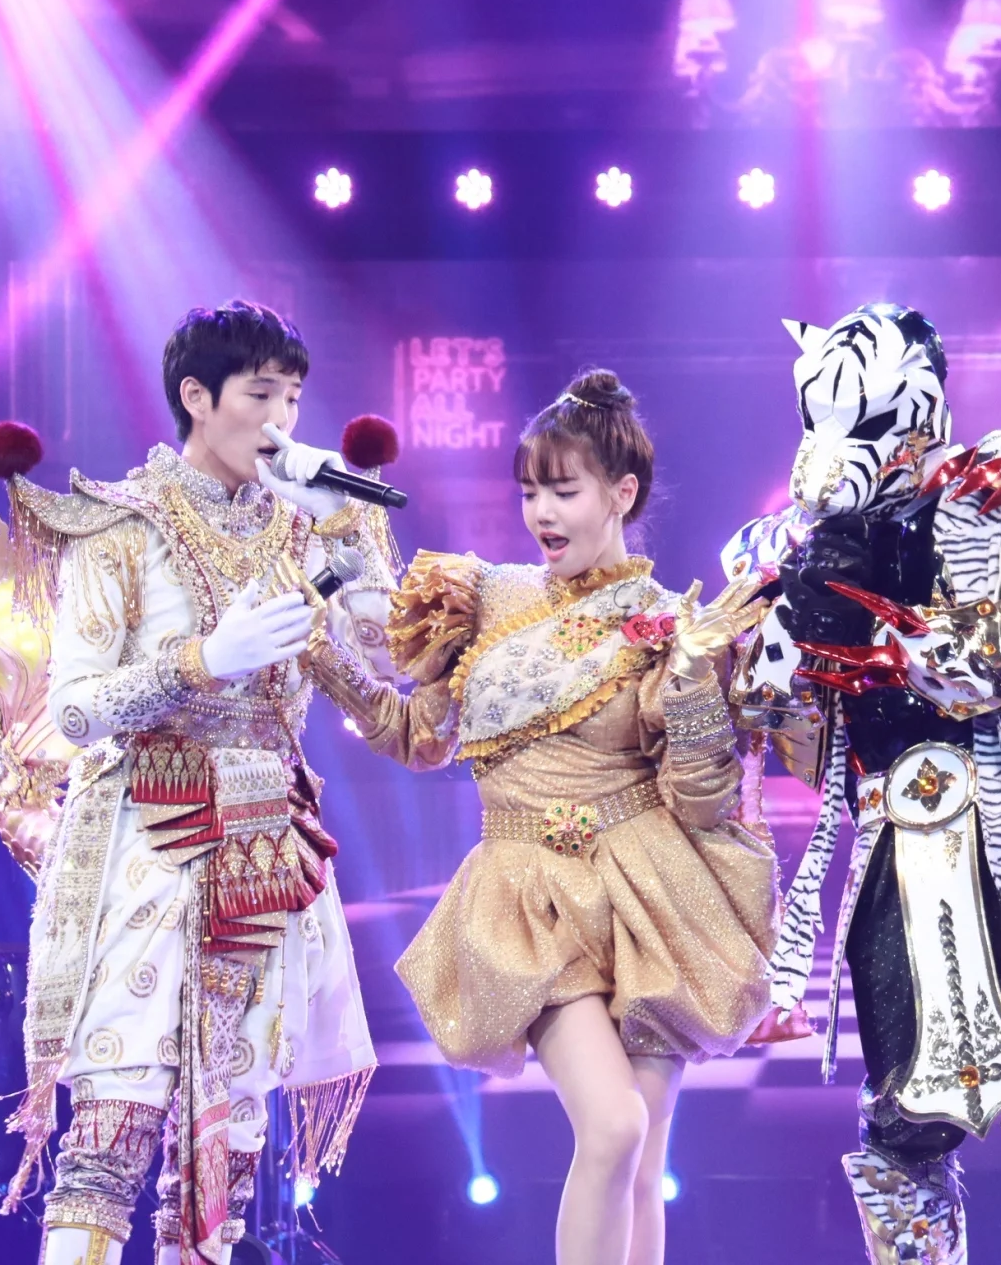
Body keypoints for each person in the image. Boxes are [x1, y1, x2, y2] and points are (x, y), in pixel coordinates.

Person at [0, 300, 402, 1265]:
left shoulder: (301, 529)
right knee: (111, 1133)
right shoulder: (124, 527)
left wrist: (341, 522)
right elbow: (75, 708)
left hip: (266, 856)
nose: (282, 420)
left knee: (226, 1156)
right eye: (261, 395)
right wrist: (201, 659)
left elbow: (384, 658)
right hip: (150, 846)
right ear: (197, 397)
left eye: (294, 398)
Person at [724, 303, 1001, 1264]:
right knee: (902, 1116)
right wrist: (791, 621)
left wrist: (868, 631)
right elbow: (769, 720)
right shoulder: (790, 543)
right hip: (896, 847)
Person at [332, 369, 777, 1265]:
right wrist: (322, 655)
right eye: (530, 490)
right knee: (613, 1128)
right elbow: (418, 736)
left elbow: (701, 798)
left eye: (564, 490)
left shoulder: (671, 624)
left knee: (642, 1157)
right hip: (530, 895)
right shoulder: (486, 597)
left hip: (648, 896)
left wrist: (695, 681)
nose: (541, 511)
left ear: (622, 493)